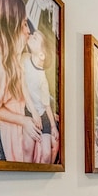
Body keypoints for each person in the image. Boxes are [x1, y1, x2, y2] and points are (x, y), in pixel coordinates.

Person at [0, 0, 41, 162]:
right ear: (12, 26)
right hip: (16, 129)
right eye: (23, 24)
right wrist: (23, 121)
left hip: (24, 113)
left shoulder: (14, 52)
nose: (28, 30)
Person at [22, 29, 59, 163]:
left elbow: (46, 105)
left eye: (35, 38)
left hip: (43, 115)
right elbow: (23, 86)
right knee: (27, 147)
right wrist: (33, 112)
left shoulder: (42, 78)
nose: (31, 36)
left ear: (42, 55)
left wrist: (53, 126)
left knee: (47, 154)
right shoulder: (24, 58)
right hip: (29, 111)